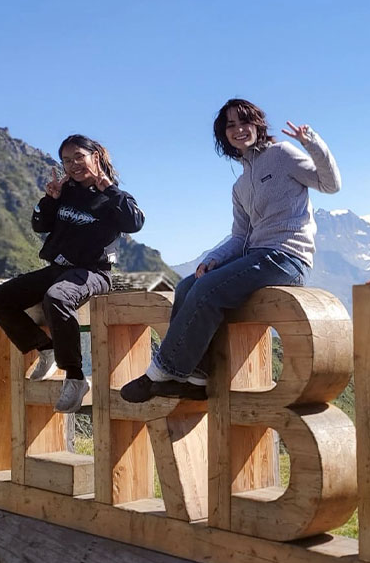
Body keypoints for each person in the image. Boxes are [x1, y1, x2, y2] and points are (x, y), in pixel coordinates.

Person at [120, 99, 341, 402]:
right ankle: (196, 379)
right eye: (231, 125)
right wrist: (213, 259)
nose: (239, 129)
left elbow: (330, 184)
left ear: (258, 125)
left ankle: (158, 373)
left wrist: (311, 142)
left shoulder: (282, 155)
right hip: (256, 256)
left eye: (244, 121)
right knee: (188, 286)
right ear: (223, 135)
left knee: (208, 289)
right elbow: (241, 236)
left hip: (288, 257)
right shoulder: (239, 186)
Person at [0, 134, 145, 413]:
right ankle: (44, 348)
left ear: (95, 157)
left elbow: (135, 222)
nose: (73, 165)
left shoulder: (112, 195)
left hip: (94, 272)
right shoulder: (64, 192)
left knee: (56, 297)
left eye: (78, 157)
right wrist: (49, 199)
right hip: (58, 269)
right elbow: (39, 225)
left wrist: (107, 187)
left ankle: (74, 376)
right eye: (66, 160)